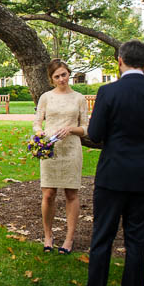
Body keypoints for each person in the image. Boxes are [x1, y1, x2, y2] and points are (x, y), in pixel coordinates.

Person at [73, 40, 144, 286]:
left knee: (103, 236)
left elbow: (94, 132)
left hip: (113, 173)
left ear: (120, 60)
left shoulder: (108, 91)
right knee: (136, 239)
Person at [34, 59, 89, 254]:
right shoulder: (46, 97)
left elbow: (86, 128)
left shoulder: (79, 98)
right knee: (48, 194)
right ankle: (48, 236)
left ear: (69, 74)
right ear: (51, 79)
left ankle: (69, 239)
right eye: (57, 76)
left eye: (64, 74)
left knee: (71, 194)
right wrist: (40, 134)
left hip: (71, 149)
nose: (61, 79)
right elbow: (37, 123)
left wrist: (72, 129)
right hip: (51, 149)